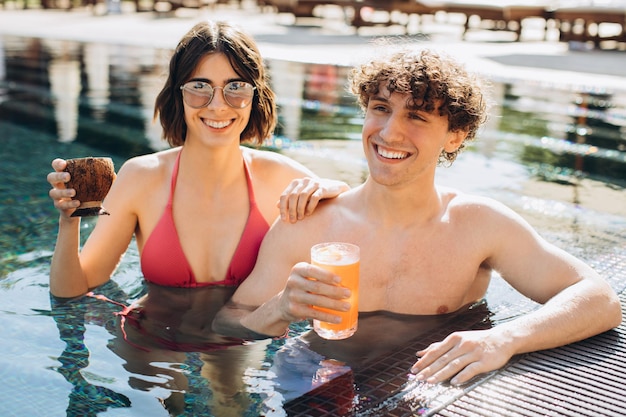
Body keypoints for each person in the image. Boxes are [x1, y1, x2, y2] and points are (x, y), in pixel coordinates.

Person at [213, 47, 622, 387]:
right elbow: (228, 325)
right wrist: (282, 308)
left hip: (436, 394)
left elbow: (600, 299)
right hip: (315, 387)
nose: (390, 132)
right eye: (380, 108)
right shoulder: (310, 223)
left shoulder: (477, 225)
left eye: (417, 116)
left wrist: (504, 339)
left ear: (455, 136)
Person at [46, 20, 348, 299]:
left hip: (242, 347)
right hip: (154, 350)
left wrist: (336, 188)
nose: (217, 105)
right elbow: (74, 290)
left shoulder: (282, 179)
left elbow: (360, 222)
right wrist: (69, 221)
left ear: (255, 96)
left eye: (236, 87)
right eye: (200, 87)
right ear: (178, 94)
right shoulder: (141, 178)